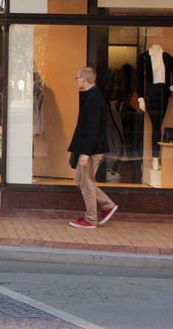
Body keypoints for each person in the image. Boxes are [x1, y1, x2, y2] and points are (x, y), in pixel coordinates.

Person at [68, 67, 118, 229]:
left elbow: (92, 128)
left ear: (85, 79)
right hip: (90, 148)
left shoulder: (94, 98)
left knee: (86, 183)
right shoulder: (91, 96)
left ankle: (91, 219)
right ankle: (107, 205)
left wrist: (85, 153)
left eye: (77, 77)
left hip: (92, 150)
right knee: (80, 181)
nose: (76, 80)